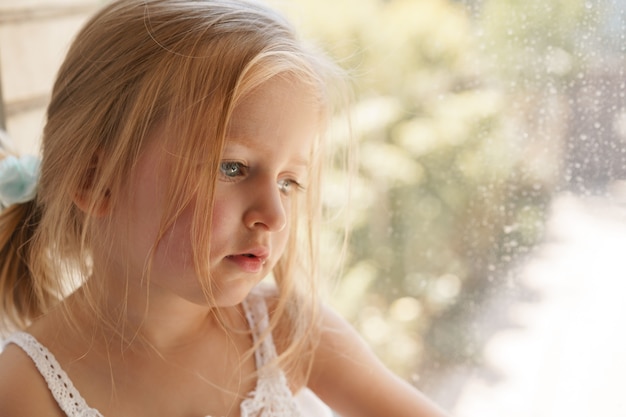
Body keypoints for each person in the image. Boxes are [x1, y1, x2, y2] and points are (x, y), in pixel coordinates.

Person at [0, 1, 450, 416]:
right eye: (232, 167)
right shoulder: (25, 389)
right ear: (94, 180)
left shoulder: (283, 331)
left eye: (289, 181)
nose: (274, 216)